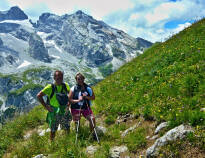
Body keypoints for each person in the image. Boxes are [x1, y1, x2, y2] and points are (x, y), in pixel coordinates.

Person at [37, 70, 71, 141]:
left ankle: (68, 141)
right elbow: (39, 95)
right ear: (54, 78)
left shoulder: (65, 85)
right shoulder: (50, 87)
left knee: (67, 127)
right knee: (53, 129)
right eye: (58, 78)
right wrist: (46, 106)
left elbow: (70, 94)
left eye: (61, 78)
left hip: (64, 109)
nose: (59, 79)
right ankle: (52, 143)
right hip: (54, 111)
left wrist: (69, 102)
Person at [68, 73, 96, 138]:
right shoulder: (73, 88)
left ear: (84, 79)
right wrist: (78, 100)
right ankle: (79, 134)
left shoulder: (88, 88)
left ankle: (92, 134)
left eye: (81, 79)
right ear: (76, 80)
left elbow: (93, 97)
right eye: (78, 79)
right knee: (77, 122)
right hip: (75, 108)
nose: (80, 80)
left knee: (92, 119)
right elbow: (69, 100)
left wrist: (86, 97)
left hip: (86, 108)